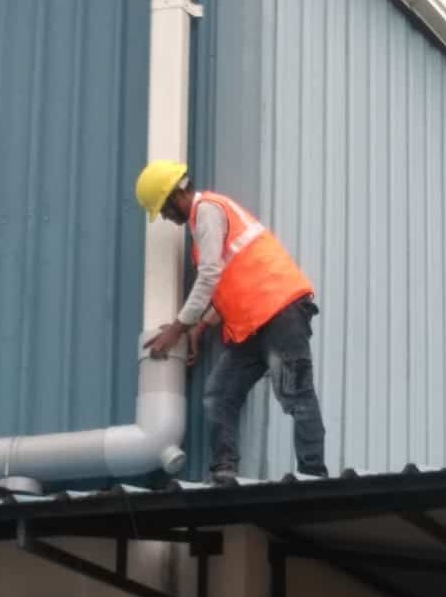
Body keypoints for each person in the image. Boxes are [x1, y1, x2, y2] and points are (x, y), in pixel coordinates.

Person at [135, 160, 327, 483]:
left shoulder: (208, 212)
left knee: (296, 395)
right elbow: (228, 281)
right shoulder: (205, 223)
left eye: (165, 211)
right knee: (218, 394)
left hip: (279, 312)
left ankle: (313, 475)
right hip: (252, 325)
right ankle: (224, 471)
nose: (168, 220)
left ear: (174, 197)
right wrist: (202, 325)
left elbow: (210, 274)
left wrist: (178, 328)